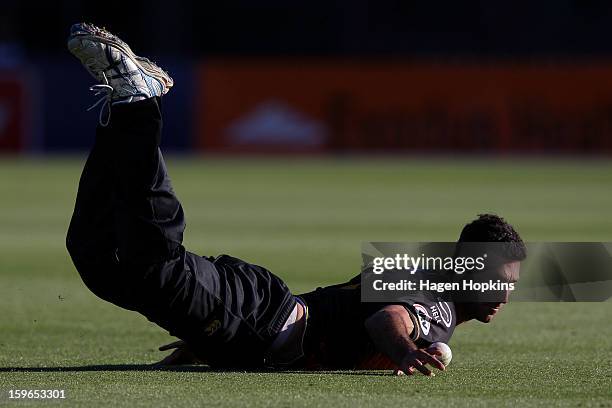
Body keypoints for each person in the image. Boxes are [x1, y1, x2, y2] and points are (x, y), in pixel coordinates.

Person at [65, 23, 526, 377]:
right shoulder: (438, 303)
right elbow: (385, 319)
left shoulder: (415, 274)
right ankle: (140, 104)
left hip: (256, 314)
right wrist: (405, 349)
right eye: (497, 278)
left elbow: (354, 310)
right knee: (153, 263)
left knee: (99, 259)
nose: (506, 292)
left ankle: (123, 116)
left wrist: (204, 327)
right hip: (263, 322)